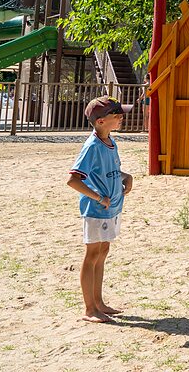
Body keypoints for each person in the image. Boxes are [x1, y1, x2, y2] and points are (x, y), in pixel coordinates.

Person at [66, 95, 133, 323]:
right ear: (101, 121)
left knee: (103, 253)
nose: (121, 117)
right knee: (92, 254)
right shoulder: (92, 146)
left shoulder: (111, 141)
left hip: (112, 208)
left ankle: (99, 302)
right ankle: (89, 309)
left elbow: (110, 170)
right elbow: (74, 180)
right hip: (96, 210)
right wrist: (97, 197)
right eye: (116, 115)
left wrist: (127, 177)